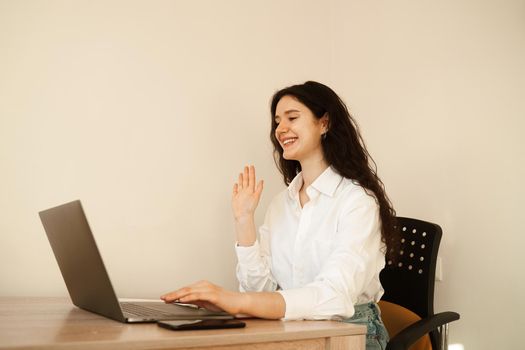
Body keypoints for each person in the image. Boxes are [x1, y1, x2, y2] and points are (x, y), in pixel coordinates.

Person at [161, 81, 397, 349]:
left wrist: (236, 302)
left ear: (324, 123)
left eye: (292, 118)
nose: (280, 129)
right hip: (293, 330)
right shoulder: (280, 205)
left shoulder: (357, 201)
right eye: (276, 122)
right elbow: (261, 292)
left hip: (350, 333)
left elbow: (334, 297)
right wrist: (244, 221)